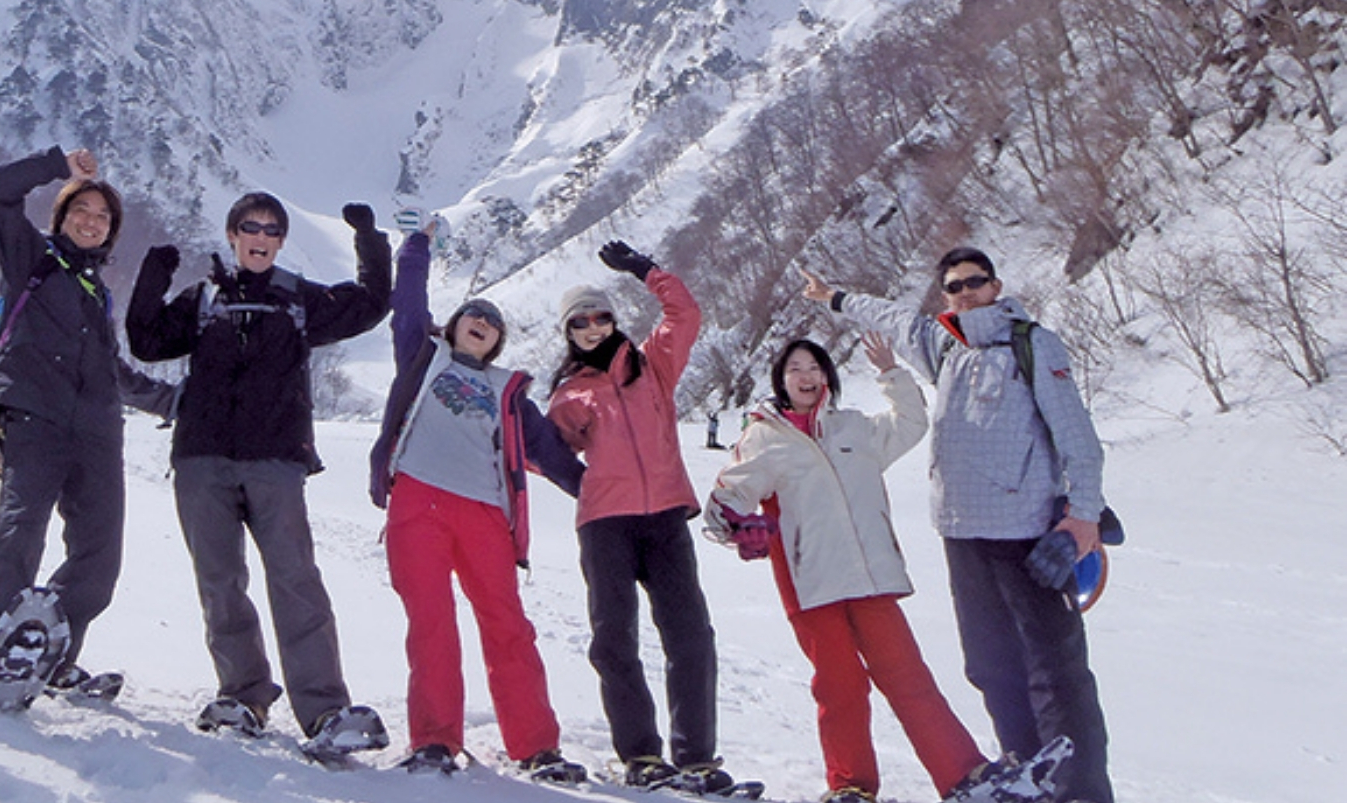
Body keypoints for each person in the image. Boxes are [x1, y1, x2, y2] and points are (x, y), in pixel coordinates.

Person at [803, 248, 1111, 803]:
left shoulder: (1032, 344)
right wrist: (834, 298)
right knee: (991, 667)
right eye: (954, 286)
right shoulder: (945, 346)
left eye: (975, 282)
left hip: (1029, 534)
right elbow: (893, 317)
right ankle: (1028, 780)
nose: (965, 293)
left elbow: (1078, 440)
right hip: (963, 536)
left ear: (996, 286)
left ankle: (1081, 793)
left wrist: (1082, 517)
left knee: (1055, 676)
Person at [126, 193, 390, 756]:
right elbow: (146, 342)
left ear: (280, 240)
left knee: (296, 580)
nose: (261, 236)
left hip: (275, 460)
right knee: (220, 583)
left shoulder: (298, 299)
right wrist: (155, 274)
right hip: (201, 459)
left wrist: (369, 239)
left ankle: (324, 711)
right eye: (251, 226)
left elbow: (370, 303)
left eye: (272, 229)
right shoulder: (204, 299)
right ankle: (243, 696)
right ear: (232, 234)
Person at [706, 336, 1011, 803]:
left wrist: (891, 374)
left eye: (814, 367)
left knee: (909, 678)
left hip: (871, 577)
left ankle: (963, 776)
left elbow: (910, 423)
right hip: (810, 582)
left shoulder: (854, 428)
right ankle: (850, 785)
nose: (806, 376)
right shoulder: (763, 437)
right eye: (795, 369)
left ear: (827, 376)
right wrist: (735, 524)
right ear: (781, 381)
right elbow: (730, 495)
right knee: (840, 686)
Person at [368, 218, 587, 782]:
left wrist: (600, 495)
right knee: (432, 622)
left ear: (497, 343)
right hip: (417, 502)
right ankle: (436, 741)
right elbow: (408, 301)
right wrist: (417, 246)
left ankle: (537, 747)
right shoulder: (423, 355)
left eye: (493, 322)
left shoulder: (508, 394)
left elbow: (555, 458)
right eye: (474, 315)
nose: (483, 323)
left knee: (507, 624)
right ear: (456, 325)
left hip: (485, 514)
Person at [0, 145, 174, 695]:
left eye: (103, 217)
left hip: (98, 433)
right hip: (35, 417)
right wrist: (60, 165)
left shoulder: (98, 294)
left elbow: (113, 372)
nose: (91, 221)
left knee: (99, 556)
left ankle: (49, 648)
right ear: (60, 218)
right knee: (20, 531)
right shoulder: (30, 260)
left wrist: (175, 403)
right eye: (81, 211)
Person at [546, 240, 749, 794]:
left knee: (690, 635)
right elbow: (547, 453)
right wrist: (581, 481)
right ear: (568, 332)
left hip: (663, 518)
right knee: (614, 639)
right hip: (605, 524)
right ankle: (640, 755)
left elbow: (686, 314)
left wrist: (645, 270)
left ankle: (696, 757)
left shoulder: (651, 367)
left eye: (601, 316)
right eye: (580, 322)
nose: (592, 327)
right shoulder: (569, 394)